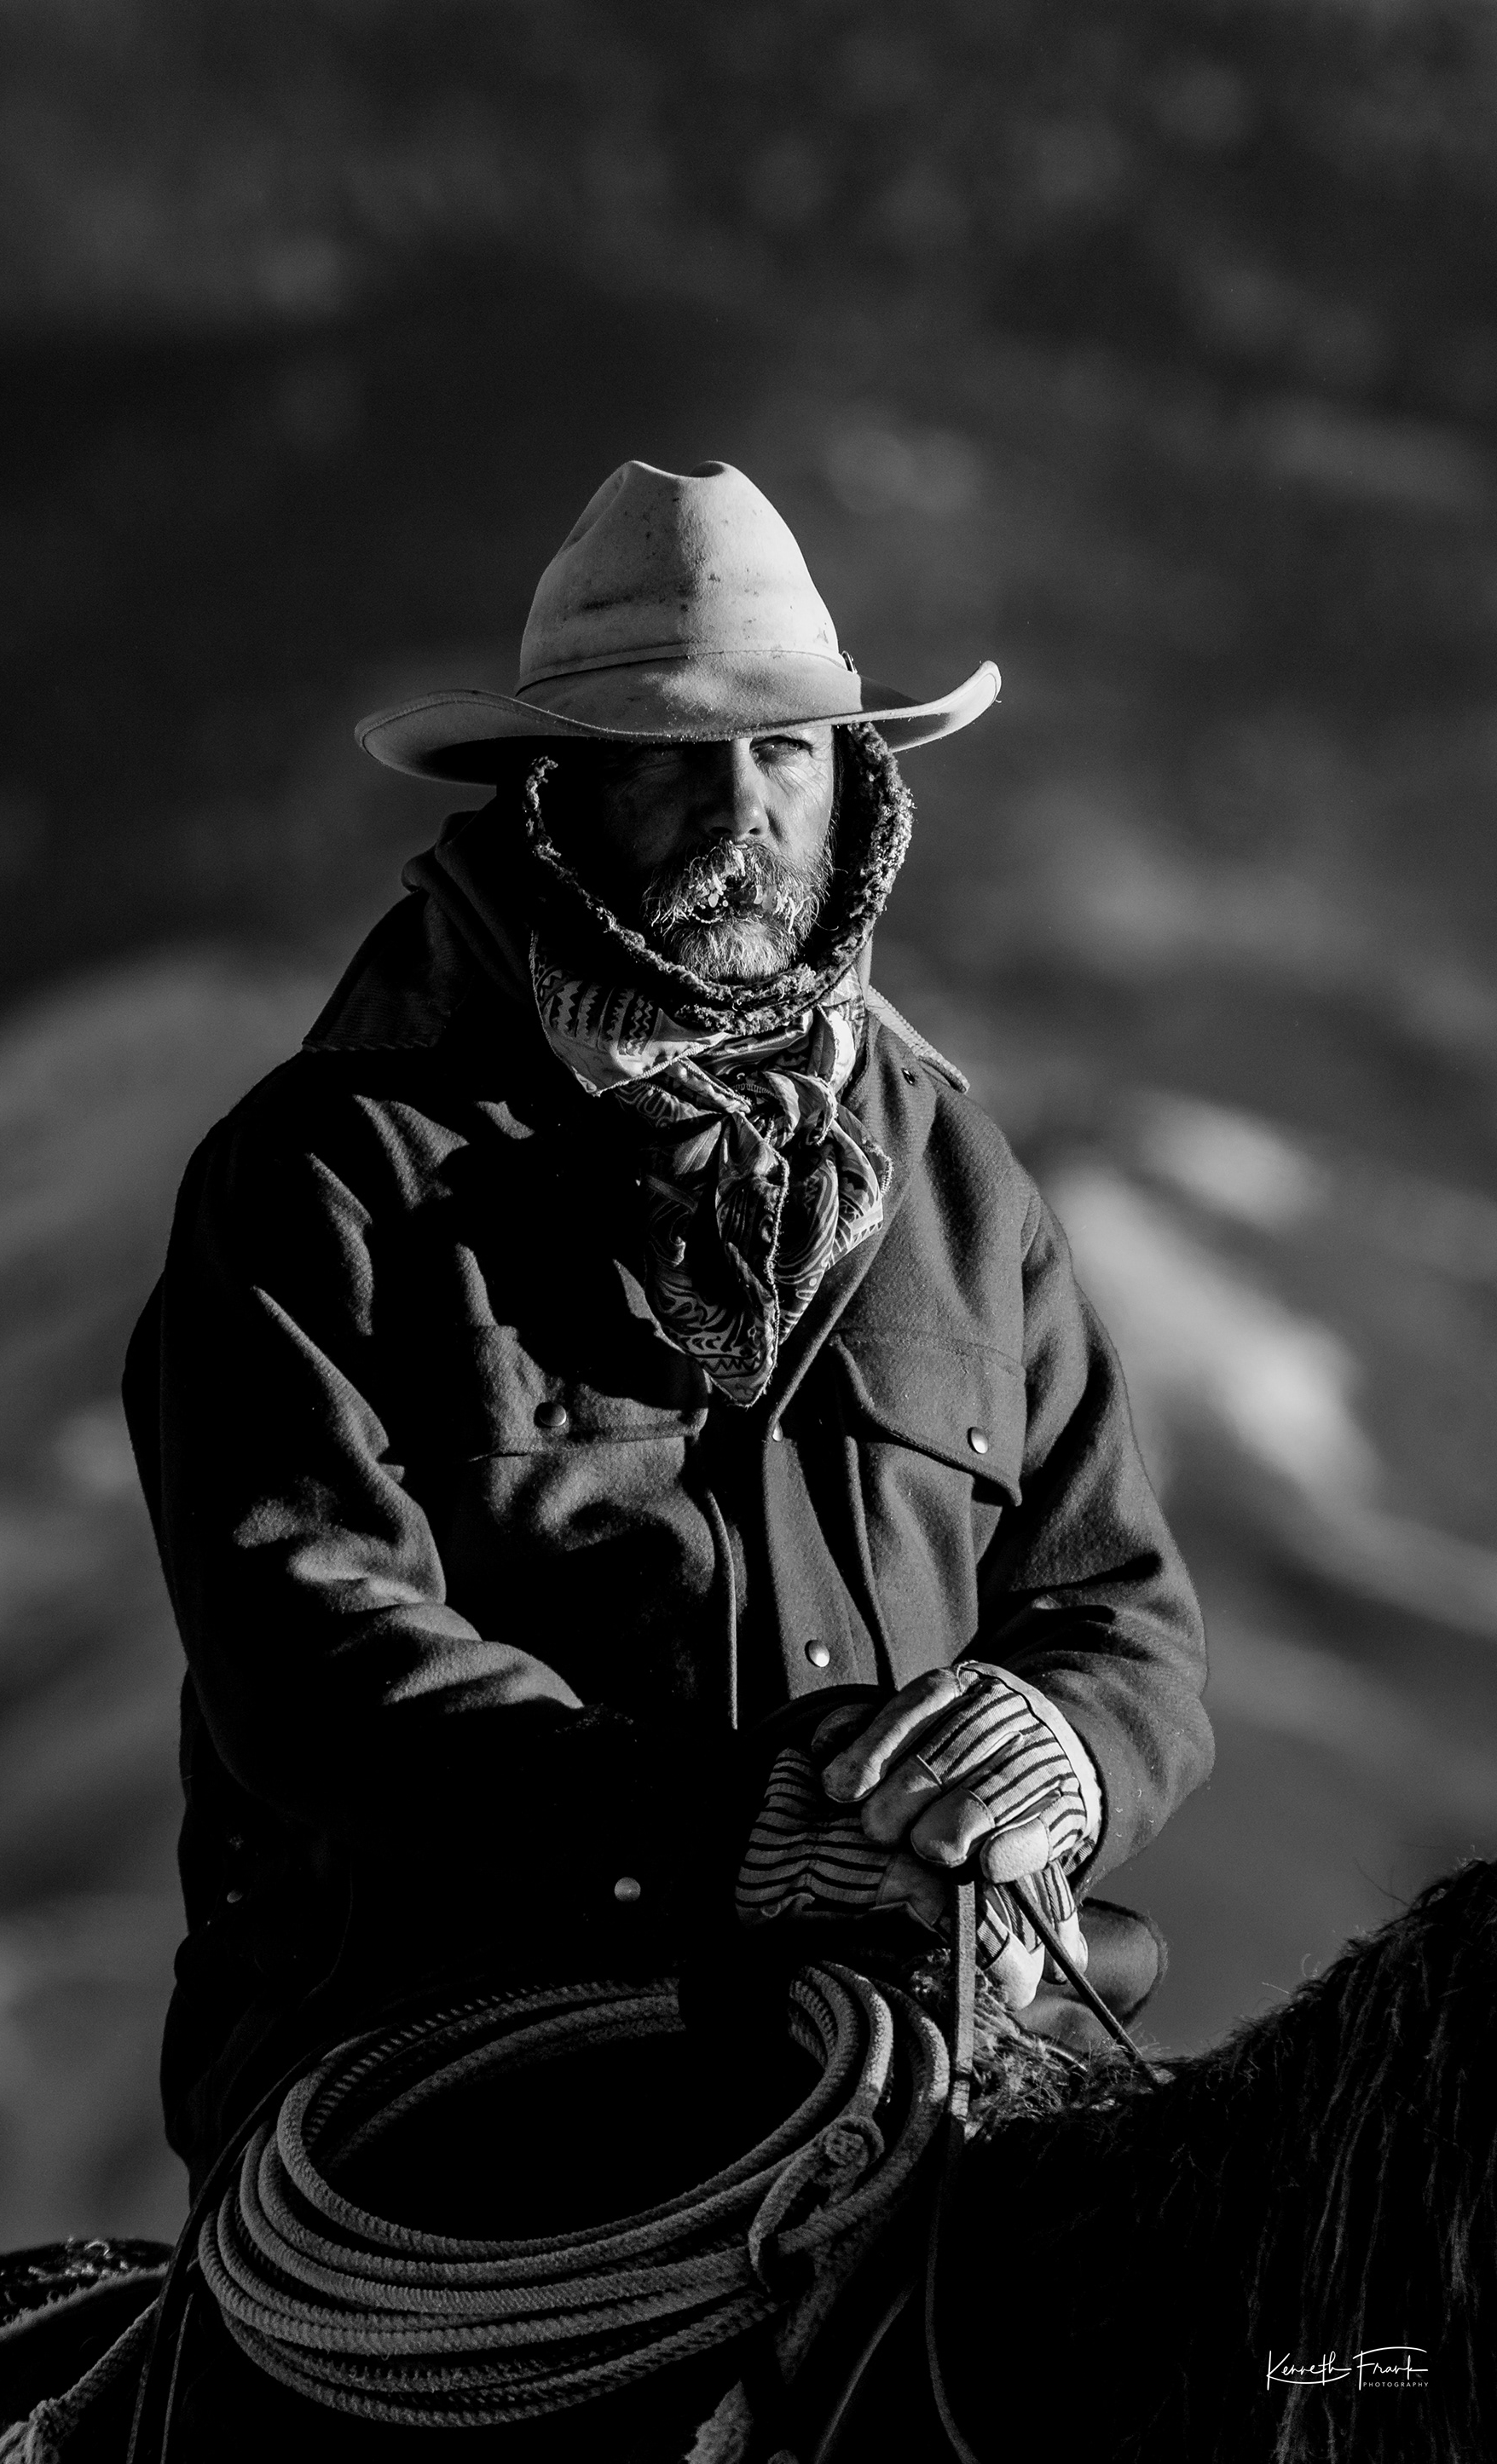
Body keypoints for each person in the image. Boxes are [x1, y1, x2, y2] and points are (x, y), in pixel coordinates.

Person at [124, 459, 1211, 2181]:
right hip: (458, 2060)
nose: (738, 807)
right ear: (550, 798)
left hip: (934, 2030)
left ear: (854, 783)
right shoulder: (329, 1173)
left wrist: (1057, 1750)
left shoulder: (956, 1177)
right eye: (665, 758)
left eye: (785, 753)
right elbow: (308, 1642)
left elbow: (1116, 1606)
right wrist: (725, 1839)